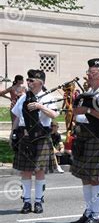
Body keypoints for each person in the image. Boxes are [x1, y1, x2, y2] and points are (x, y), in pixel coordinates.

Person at [69, 58, 99, 223]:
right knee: (85, 178)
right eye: (88, 71)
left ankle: (95, 216)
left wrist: (88, 110)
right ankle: (88, 212)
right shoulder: (89, 90)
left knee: (95, 179)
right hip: (84, 138)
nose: (88, 74)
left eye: (92, 72)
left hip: (96, 139)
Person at [11, 70, 58, 214]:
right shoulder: (23, 97)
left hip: (41, 137)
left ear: (40, 82)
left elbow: (54, 114)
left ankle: (38, 201)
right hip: (25, 137)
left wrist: (40, 106)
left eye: (31, 80)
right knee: (25, 171)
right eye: (28, 80)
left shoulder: (49, 97)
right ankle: (26, 202)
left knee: (39, 171)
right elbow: (18, 118)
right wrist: (12, 133)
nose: (28, 82)